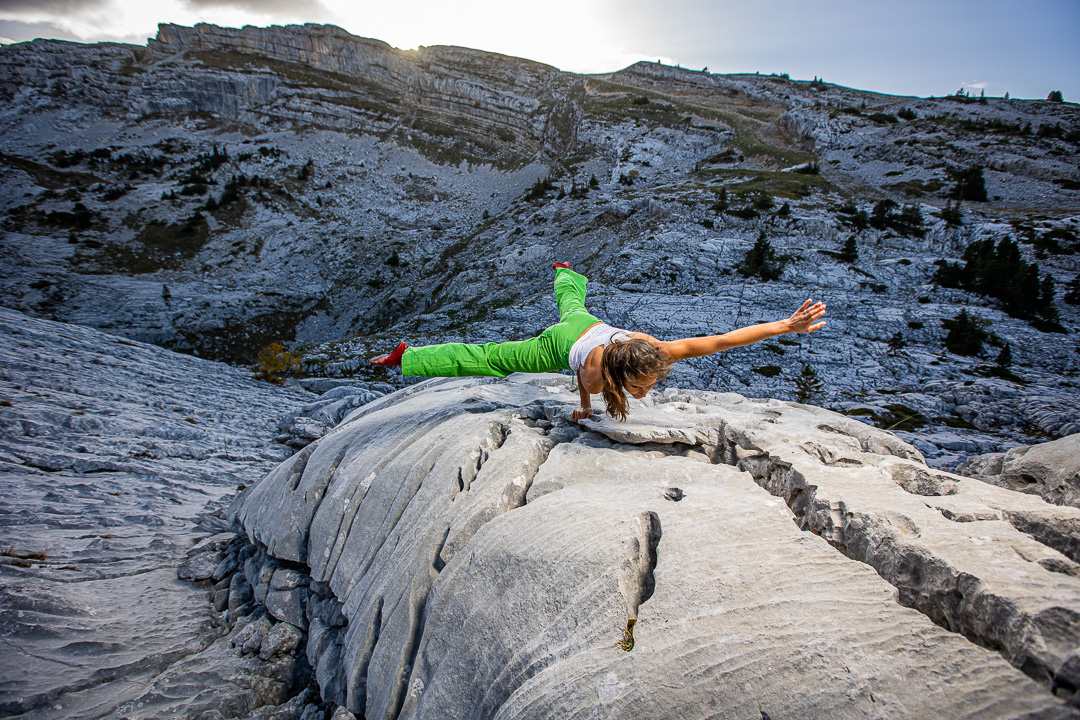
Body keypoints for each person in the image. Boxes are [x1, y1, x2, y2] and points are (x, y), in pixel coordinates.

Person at [372, 263, 826, 422]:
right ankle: (407, 358)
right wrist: (588, 407)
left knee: (572, 304)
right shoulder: (593, 371)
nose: (649, 390)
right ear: (622, 374)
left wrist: (786, 326)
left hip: (590, 324)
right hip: (560, 347)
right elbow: (587, 385)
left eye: (649, 383)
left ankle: (565, 272)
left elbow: (723, 339)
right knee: (489, 359)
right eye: (643, 387)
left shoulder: (654, 347)